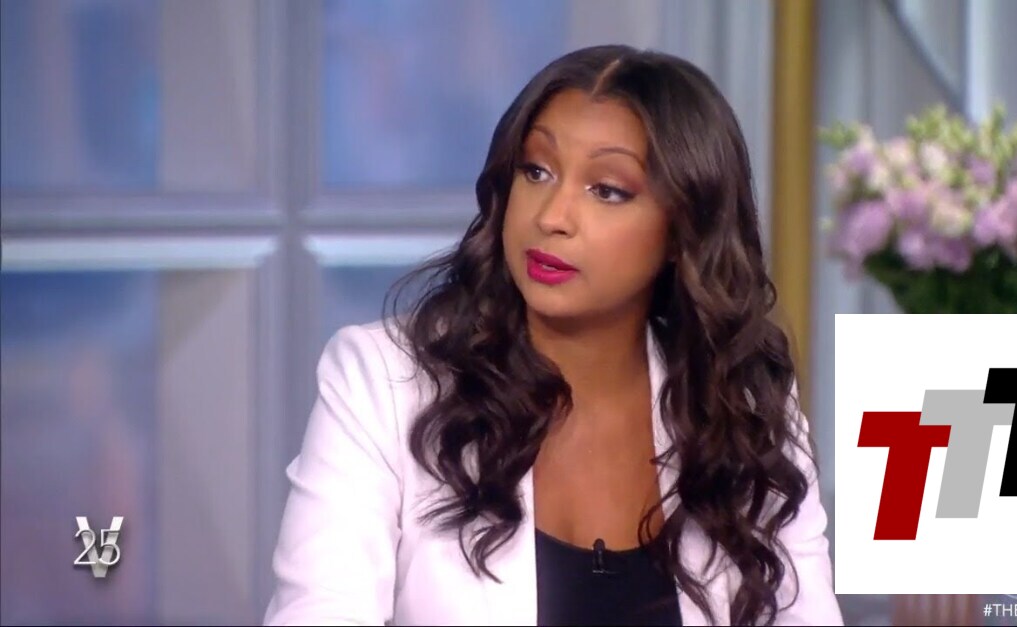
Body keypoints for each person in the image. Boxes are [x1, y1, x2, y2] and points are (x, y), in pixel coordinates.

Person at [264, 44, 843, 626]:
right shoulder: (381, 382)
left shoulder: (740, 402)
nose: (551, 216)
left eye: (607, 189)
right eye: (536, 171)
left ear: (681, 230)